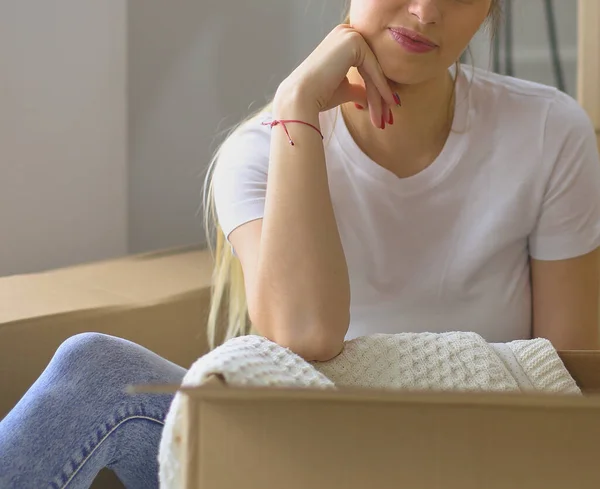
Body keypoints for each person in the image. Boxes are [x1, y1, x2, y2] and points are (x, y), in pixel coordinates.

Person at [1, 1, 598, 487]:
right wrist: (297, 107)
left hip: (475, 461)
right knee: (93, 369)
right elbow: (303, 334)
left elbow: (570, 382)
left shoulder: (547, 133)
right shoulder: (259, 152)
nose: (425, 11)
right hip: (300, 459)